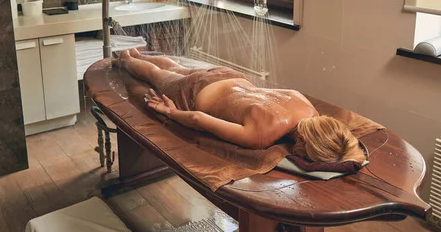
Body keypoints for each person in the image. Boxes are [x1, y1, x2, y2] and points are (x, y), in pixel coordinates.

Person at [115, 49, 365, 164]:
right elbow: (198, 121)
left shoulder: (307, 108)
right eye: (307, 156)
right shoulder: (262, 135)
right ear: (302, 142)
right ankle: (125, 60)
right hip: (196, 93)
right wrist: (171, 112)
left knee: (174, 69)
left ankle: (136, 53)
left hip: (231, 77)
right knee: (157, 75)